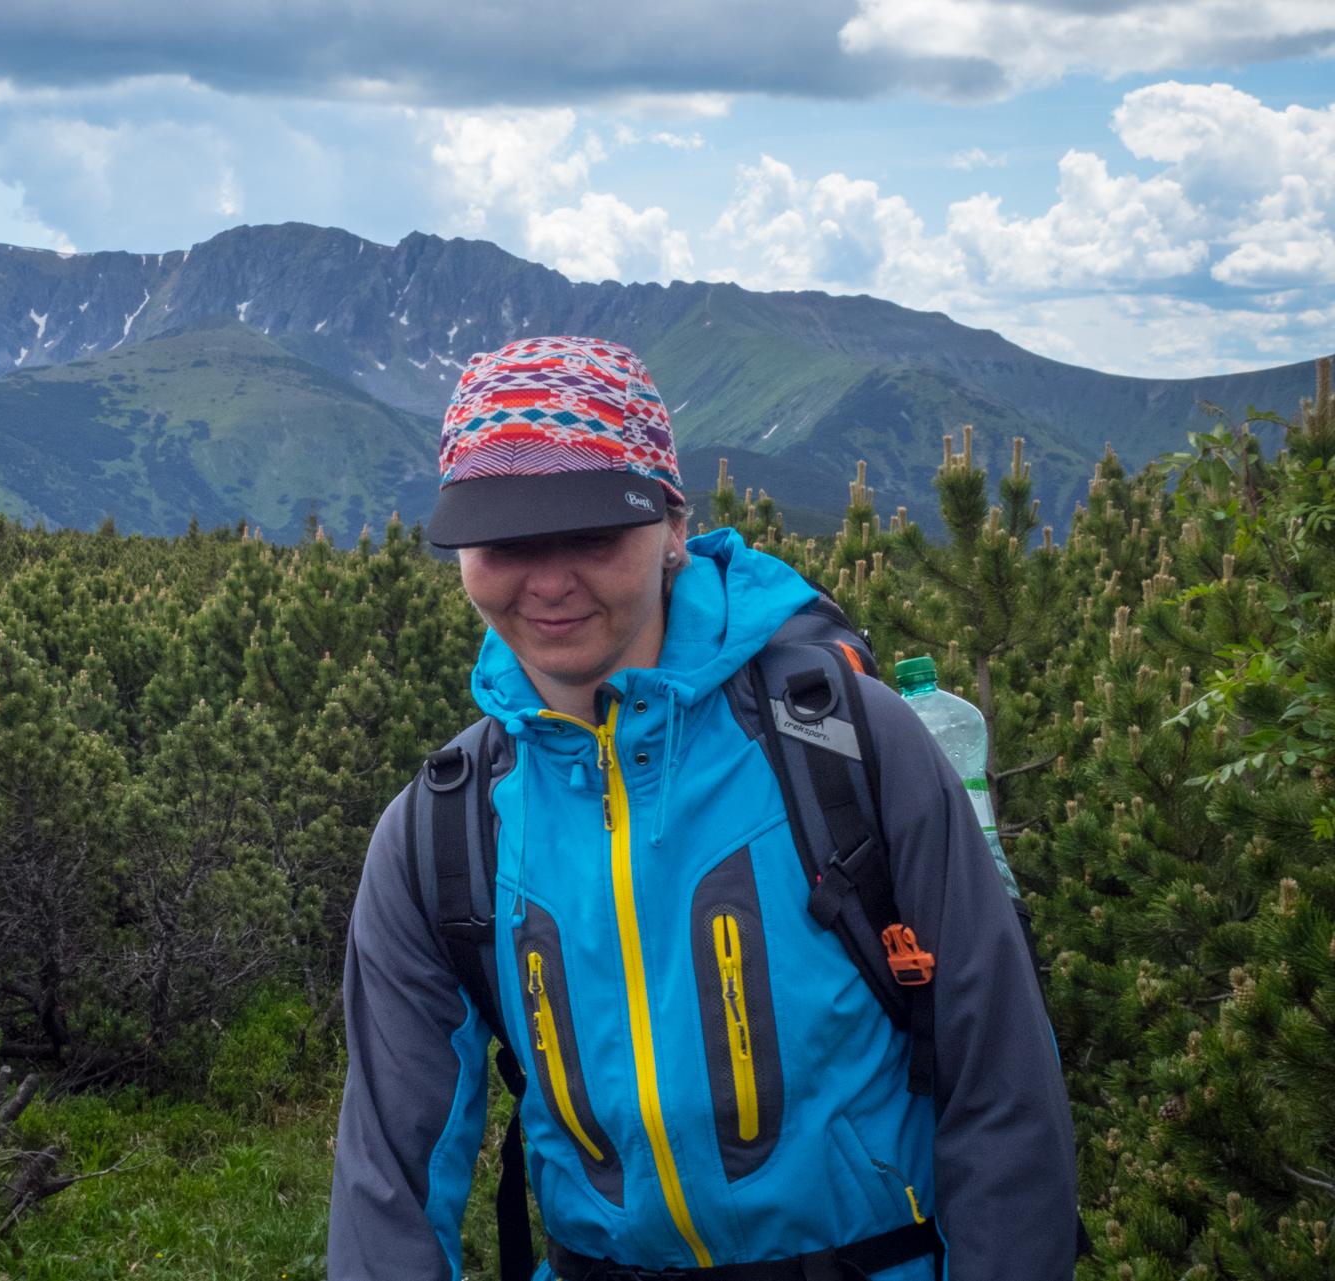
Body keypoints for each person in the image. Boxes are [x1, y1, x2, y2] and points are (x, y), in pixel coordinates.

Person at [327, 336, 1077, 1280]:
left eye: (593, 534)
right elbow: (388, 1181)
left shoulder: (850, 746)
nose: (548, 581)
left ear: (673, 526)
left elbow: (1003, 1092)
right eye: (506, 540)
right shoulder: (439, 832)